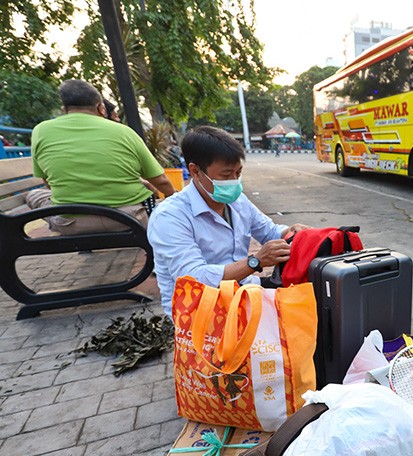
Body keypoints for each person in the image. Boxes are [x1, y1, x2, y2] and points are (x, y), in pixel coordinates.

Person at [147, 126, 309, 317]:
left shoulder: (237, 201)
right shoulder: (170, 217)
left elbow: (269, 231)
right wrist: (255, 261)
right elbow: (195, 279)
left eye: (238, 174)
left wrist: (291, 231)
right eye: (226, 175)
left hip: (243, 293)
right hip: (200, 313)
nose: (234, 181)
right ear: (195, 171)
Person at [26, 79, 176, 234]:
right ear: (101, 108)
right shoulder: (123, 132)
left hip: (72, 224)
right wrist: (177, 200)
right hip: (129, 220)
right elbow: (161, 181)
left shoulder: (40, 131)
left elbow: (48, 182)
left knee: (34, 195)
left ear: (64, 109)